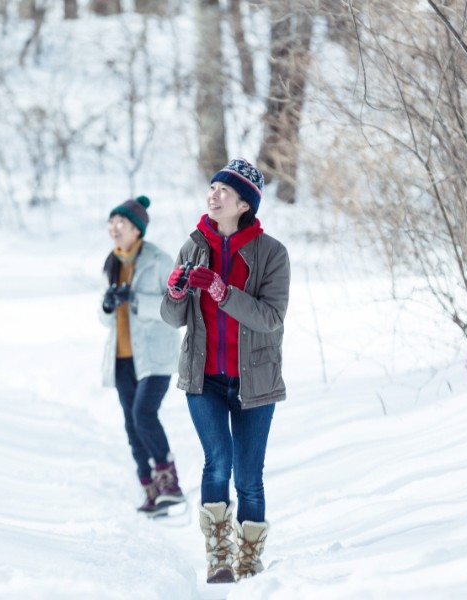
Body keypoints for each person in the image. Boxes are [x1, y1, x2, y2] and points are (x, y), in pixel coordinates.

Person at [159, 159, 290, 583]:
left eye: (223, 191)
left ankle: (249, 557)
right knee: (218, 463)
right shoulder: (193, 245)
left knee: (249, 476)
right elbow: (173, 317)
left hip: (256, 383)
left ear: (243, 205)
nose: (212, 195)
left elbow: (270, 317)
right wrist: (176, 292)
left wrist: (222, 290)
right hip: (204, 379)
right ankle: (218, 556)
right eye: (212, 187)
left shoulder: (272, 254)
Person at [98, 195, 185, 517]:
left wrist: (135, 300)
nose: (114, 228)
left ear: (137, 229)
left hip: (155, 356)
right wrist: (108, 306)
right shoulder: (112, 262)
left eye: (120, 223)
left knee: (144, 414)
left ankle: (169, 484)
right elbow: (105, 317)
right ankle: (151, 491)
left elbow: (176, 309)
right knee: (132, 425)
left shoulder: (159, 261)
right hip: (122, 357)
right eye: (111, 223)